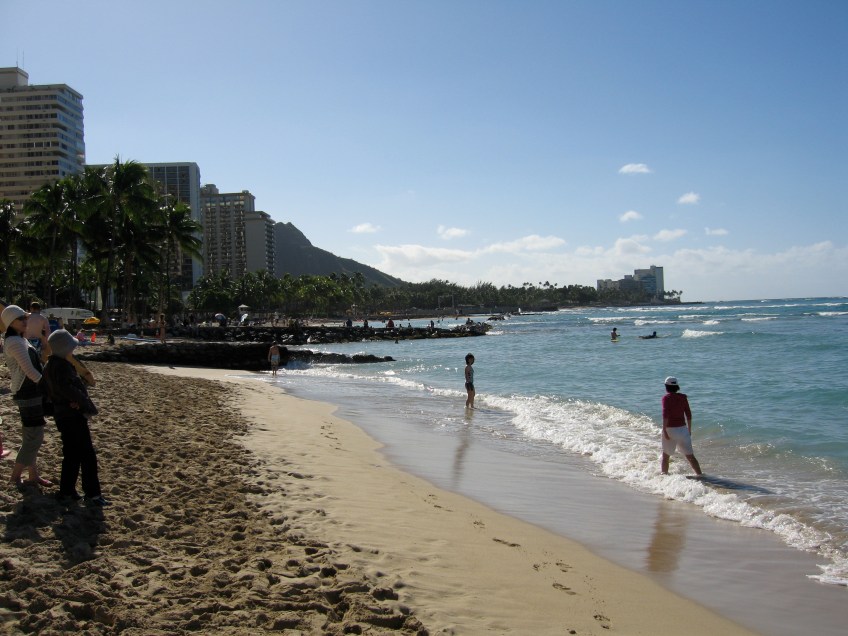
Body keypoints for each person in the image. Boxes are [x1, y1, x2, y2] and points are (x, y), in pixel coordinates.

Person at [43, 329, 108, 506]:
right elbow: (67, 388)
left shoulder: (50, 365)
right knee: (87, 455)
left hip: (62, 415)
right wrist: (77, 402)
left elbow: (46, 390)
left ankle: (67, 491)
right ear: (65, 348)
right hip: (71, 416)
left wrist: (59, 404)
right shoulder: (62, 366)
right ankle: (93, 494)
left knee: (71, 454)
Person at [1, 305, 52, 487]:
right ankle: (15, 476)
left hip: (30, 391)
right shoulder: (14, 342)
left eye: (25, 317)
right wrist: (49, 387)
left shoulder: (20, 339)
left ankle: (32, 474)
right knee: (35, 437)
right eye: (21, 319)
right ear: (11, 323)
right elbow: (29, 370)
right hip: (26, 392)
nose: (25, 321)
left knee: (30, 436)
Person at [661, 376, 703, 477]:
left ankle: (664, 477)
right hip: (683, 430)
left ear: (666, 386)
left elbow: (665, 414)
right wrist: (689, 429)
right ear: (677, 386)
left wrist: (664, 430)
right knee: (690, 456)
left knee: (666, 456)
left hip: (670, 430)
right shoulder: (683, 397)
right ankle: (701, 476)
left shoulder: (666, 398)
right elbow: (688, 414)